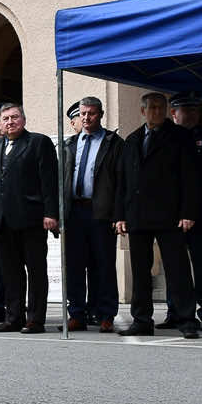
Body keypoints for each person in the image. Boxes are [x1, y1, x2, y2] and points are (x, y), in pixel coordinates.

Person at [115, 92, 200, 339]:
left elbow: (190, 178)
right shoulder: (132, 140)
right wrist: (120, 215)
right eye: (151, 107)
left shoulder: (180, 137)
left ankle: (186, 319)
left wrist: (188, 212)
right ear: (143, 111)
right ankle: (142, 319)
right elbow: (123, 181)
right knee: (140, 271)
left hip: (170, 215)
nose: (156, 111)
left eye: (161, 107)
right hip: (137, 215)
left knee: (178, 269)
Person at [0, 104, 58, 334]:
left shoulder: (38, 142)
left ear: (23, 120)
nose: (10, 121)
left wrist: (51, 213)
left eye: (15, 117)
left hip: (32, 219)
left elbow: (49, 180)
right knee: (10, 272)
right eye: (5, 118)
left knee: (35, 271)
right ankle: (14, 317)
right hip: (2, 221)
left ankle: (35, 319)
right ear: (0, 123)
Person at [157, 91, 202, 332]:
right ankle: (174, 311)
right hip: (172, 215)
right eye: (188, 110)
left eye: (196, 109)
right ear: (174, 113)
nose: (193, 114)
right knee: (174, 266)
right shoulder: (165, 137)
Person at [61, 97, 122, 333]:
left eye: (91, 114)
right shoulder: (70, 144)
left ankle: (105, 313)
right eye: (82, 114)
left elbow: (119, 182)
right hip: (75, 211)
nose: (86, 118)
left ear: (101, 115)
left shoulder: (113, 143)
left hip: (101, 212)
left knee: (103, 265)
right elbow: (62, 180)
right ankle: (77, 313)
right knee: (75, 266)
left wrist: (118, 215)